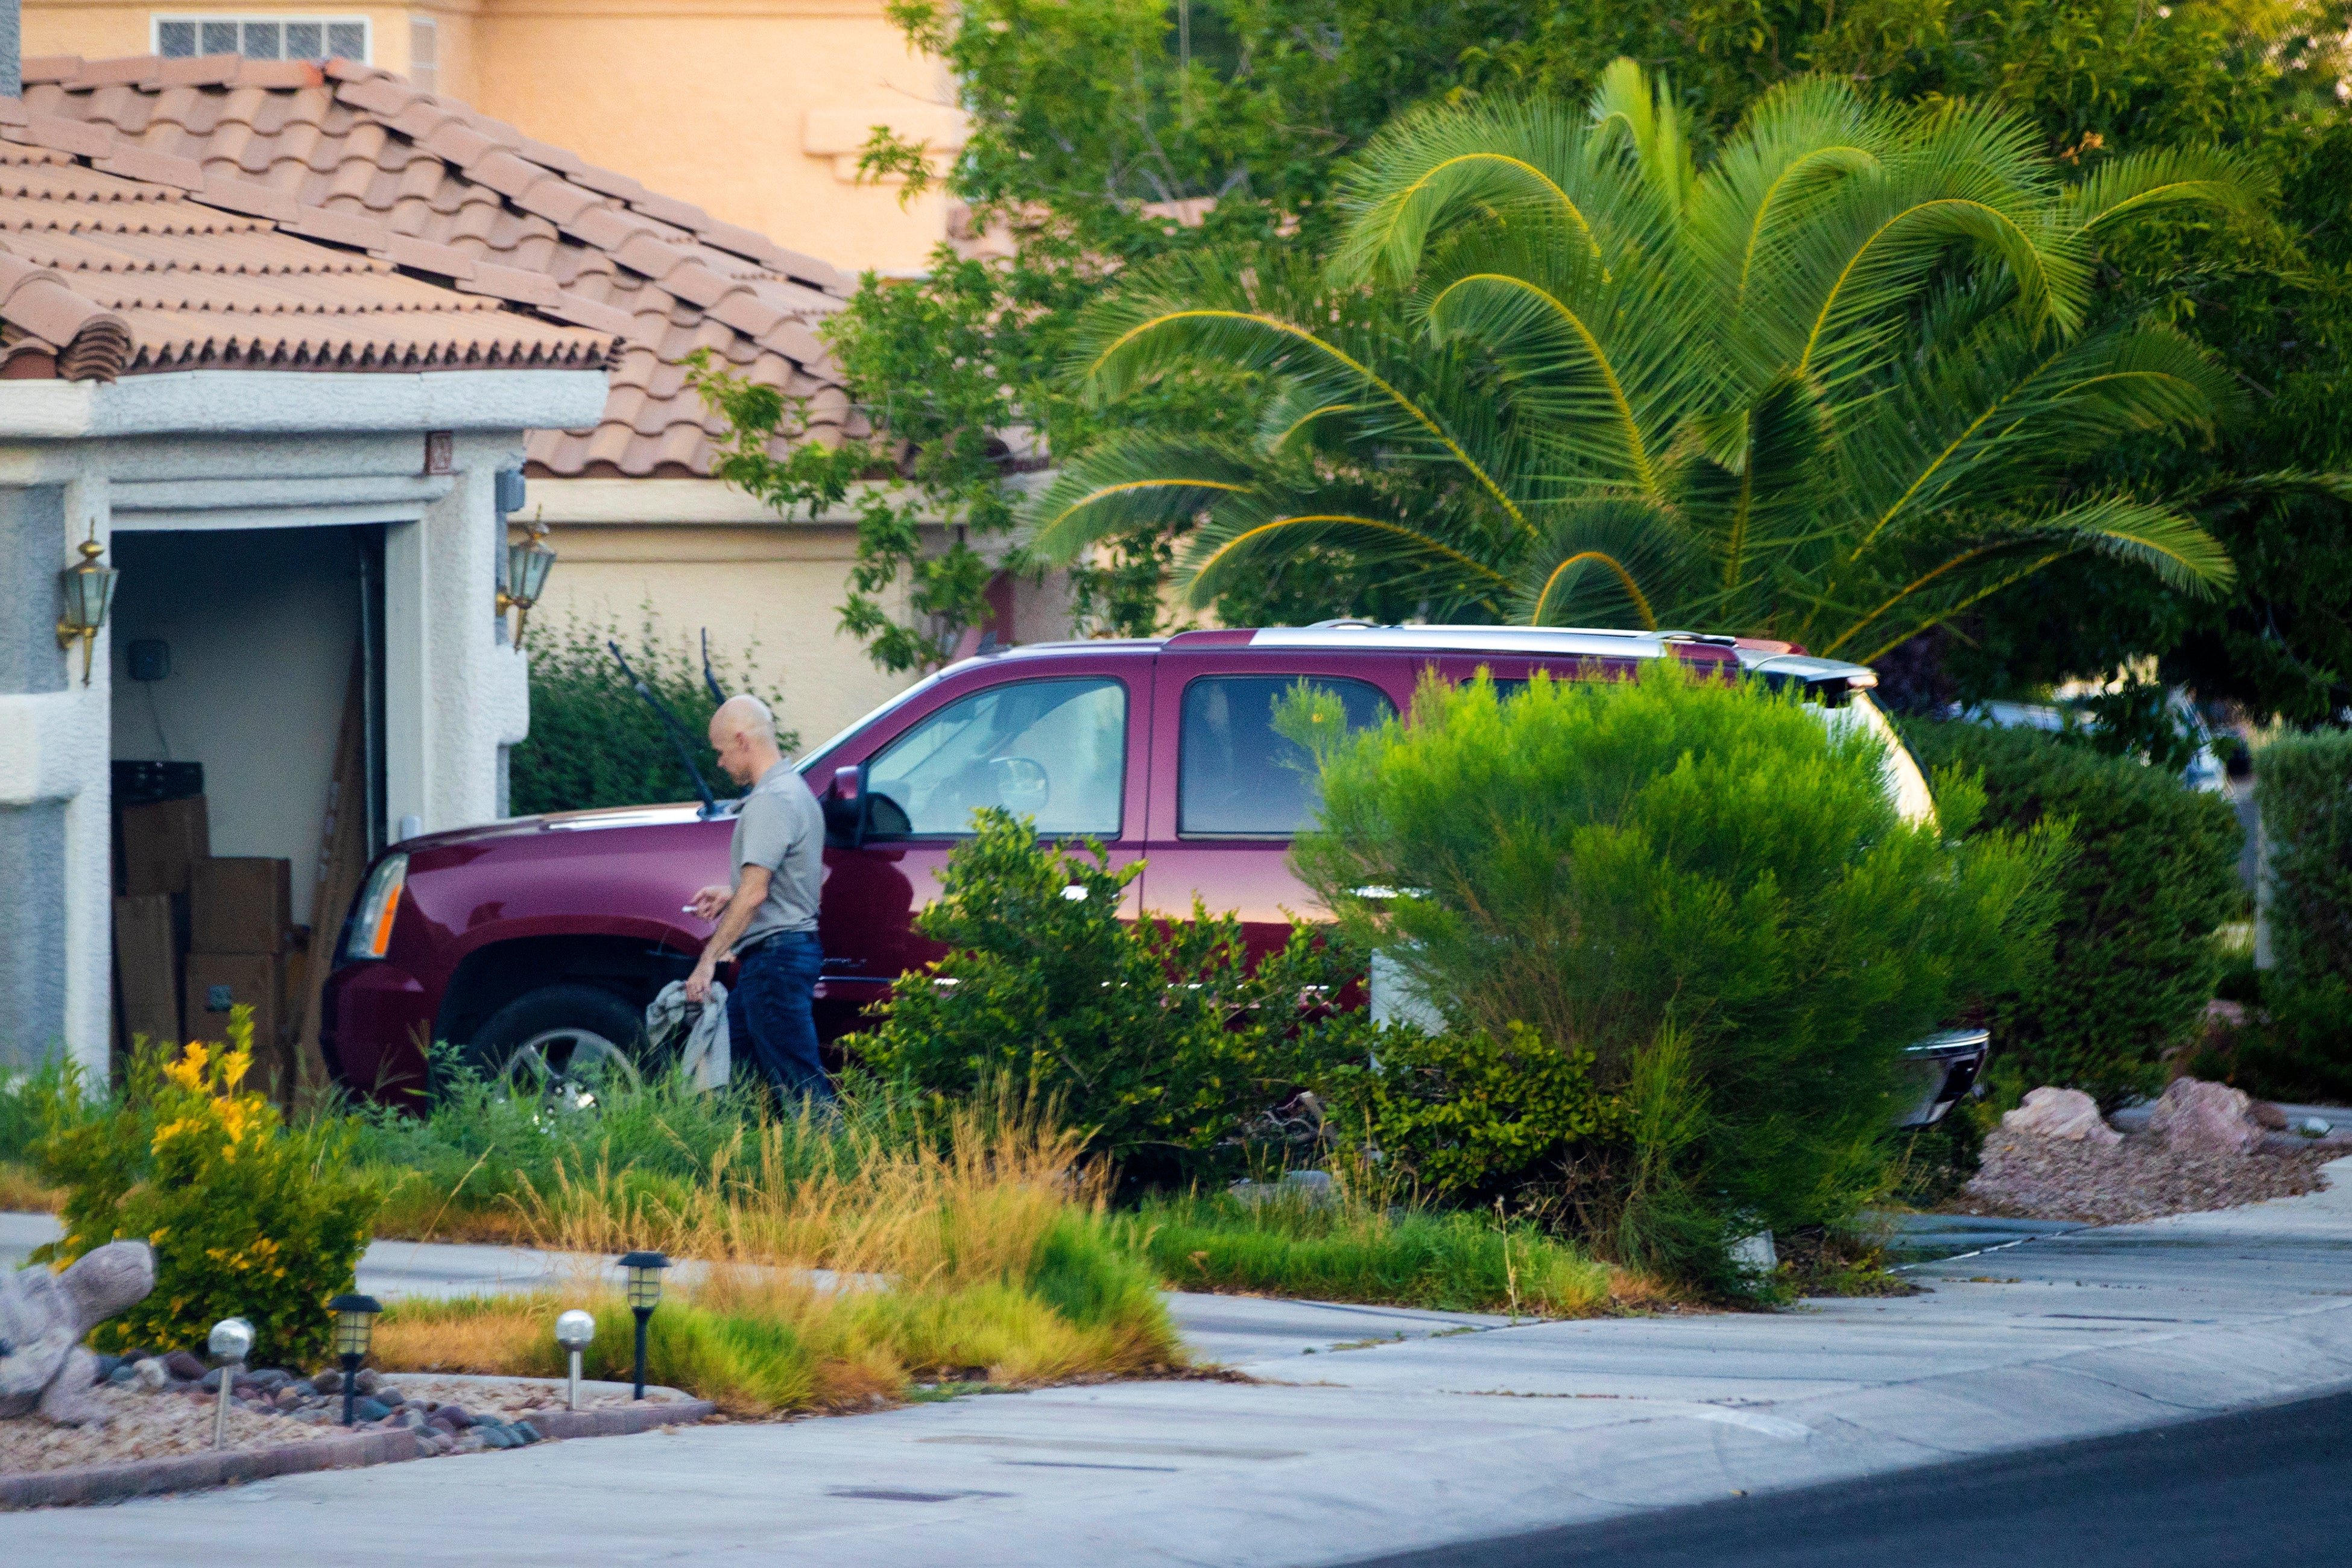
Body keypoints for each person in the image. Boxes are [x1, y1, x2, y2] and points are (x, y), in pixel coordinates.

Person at [685, 695, 833, 1107]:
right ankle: (742, 1167)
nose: (720, 763)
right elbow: (783, 881)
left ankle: (843, 1168)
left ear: (741, 740)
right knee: (737, 1085)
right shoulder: (795, 791)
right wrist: (732, 892)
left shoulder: (771, 800)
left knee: (800, 1089)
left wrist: (708, 958)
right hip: (778, 960)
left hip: (775, 963)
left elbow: (756, 894)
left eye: (721, 752)